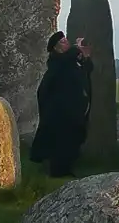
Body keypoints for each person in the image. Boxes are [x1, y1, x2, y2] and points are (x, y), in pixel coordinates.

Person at [30, 31, 93, 178]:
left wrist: (86, 57)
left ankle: (66, 168)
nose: (67, 44)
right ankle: (58, 171)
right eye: (63, 42)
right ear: (56, 48)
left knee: (73, 139)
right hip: (61, 111)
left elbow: (87, 70)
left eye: (66, 41)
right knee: (61, 140)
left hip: (74, 109)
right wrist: (77, 48)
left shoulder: (70, 61)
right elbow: (65, 62)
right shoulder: (56, 61)